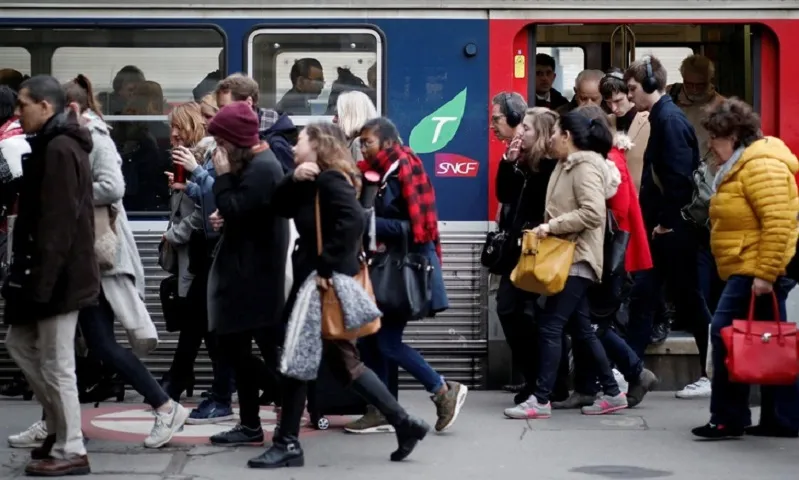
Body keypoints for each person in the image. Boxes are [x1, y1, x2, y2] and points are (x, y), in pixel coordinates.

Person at [251, 122, 430, 468]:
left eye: (299, 141)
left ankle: (288, 443)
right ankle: (405, 423)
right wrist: (293, 177)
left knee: (297, 362)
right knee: (344, 362)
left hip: (320, 284)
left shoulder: (331, 180)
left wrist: (325, 267)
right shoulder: (314, 178)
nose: (293, 146)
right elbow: (280, 206)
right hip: (317, 282)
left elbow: (352, 222)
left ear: (317, 144)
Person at [3, 74, 99, 476]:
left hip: (58, 277)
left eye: (23, 104)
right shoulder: (52, 144)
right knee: (20, 344)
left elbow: (58, 224)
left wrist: (41, 283)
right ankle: (60, 428)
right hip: (46, 273)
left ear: (46, 106)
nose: (16, 111)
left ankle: (71, 446)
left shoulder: (59, 148)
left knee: (58, 362)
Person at [504, 109, 627, 419]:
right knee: (581, 328)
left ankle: (541, 399)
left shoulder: (584, 167)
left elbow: (593, 213)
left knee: (550, 324)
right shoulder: (565, 164)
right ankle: (613, 392)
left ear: (567, 137)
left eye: (556, 132)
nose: (551, 138)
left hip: (576, 257)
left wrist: (551, 226)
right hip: (568, 255)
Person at [345, 117, 465, 434]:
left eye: (368, 141)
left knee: (385, 342)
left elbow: (417, 230)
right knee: (371, 341)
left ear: (386, 142)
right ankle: (382, 408)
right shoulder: (380, 173)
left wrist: (367, 221)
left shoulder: (402, 170)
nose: (363, 147)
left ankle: (442, 389)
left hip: (400, 272)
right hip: (385, 268)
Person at [691, 98, 799, 439]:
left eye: (715, 138)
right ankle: (780, 418)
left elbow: (779, 223)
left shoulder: (761, 167)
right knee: (771, 343)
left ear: (734, 136)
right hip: (749, 267)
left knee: (724, 336)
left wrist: (765, 275)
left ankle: (727, 418)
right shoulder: (743, 165)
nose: (710, 144)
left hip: (756, 270)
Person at [204, 102, 289, 447]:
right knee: (238, 351)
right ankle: (251, 423)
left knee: (263, 353)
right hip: (247, 275)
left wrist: (222, 178)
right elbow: (242, 212)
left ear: (236, 141)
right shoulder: (257, 165)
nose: (218, 151)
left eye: (222, 142)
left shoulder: (262, 168)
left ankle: (286, 411)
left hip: (253, 279)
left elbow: (236, 205)